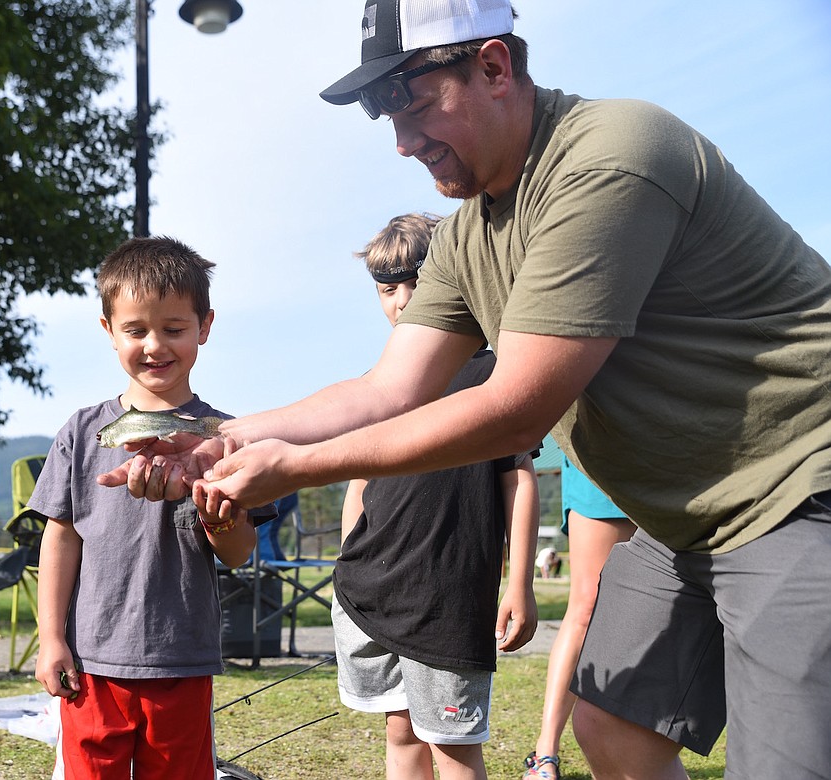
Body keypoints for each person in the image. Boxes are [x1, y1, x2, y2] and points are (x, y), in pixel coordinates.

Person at [98, 2, 831, 778]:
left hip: (798, 482)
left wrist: (293, 467)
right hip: (684, 517)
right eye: (384, 113)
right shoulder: (469, 236)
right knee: (614, 729)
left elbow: (515, 404)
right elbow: (389, 387)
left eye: (412, 102)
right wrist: (229, 441)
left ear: (493, 66)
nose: (403, 141)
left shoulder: (610, 157)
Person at [29, 236, 257, 780]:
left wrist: (213, 505)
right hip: (91, 664)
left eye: (174, 329)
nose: (155, 345)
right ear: (109, 331)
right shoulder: (84, 433)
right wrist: (51, 639)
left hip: (182, 659)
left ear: (205, 327)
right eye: (136, 330)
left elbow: (239, 551)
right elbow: (60, 538)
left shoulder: (226, 436)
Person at [334, 211, 540, 780]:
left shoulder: (495, 375)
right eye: (386, 288)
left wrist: (518, 582)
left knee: (452, 743)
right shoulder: (381, 384)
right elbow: (360, 478)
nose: (401, 300)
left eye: (416, 283)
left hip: (450, 596)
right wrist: (350, 550)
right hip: (371, 587)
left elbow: (516, 479)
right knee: (399, 730)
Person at [523, 457, 636, 780]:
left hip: (672, 457)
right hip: (603, 457)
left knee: (654, 614)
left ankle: (650, 747)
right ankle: (546, 754)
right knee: (587, 605)